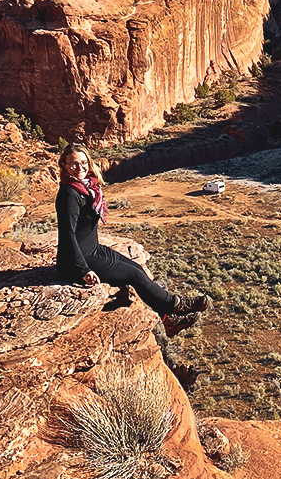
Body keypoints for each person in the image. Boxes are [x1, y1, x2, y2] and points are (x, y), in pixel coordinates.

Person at [55, 143, 208, 337]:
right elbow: (67, 235)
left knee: (137, 269)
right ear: (64, 166)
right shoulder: (69, 194)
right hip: (77, 261)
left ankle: (169, 321)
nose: (80, 168)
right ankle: (176, 304)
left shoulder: (86, 188)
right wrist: (83, 270)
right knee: (133, 277)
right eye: (73, 164)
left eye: (83, 163)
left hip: (93, 250)